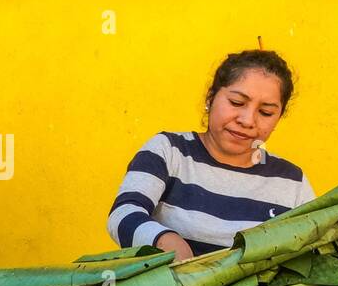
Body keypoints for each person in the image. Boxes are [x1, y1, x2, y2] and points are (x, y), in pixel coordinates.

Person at [107, 50, 314, 257]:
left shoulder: (293, 182)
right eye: (236, 102)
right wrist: (166, 242)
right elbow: (123, 214)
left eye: (266, 112)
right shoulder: (169, 151)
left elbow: (314, 249)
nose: (248, 120)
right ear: (211, 98)